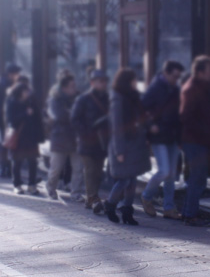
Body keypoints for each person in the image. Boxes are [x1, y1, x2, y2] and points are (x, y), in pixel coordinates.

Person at [105, 68, 150, 225]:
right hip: (123, 145)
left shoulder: (134, 97)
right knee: (124, 180)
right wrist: (119, 151)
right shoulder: (117, 99)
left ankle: (127, 212)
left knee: (132, 181)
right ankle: (110, 205)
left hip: (134, 145)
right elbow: (117, 126)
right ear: (127, 81)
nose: (136, 82)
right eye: (133, 80)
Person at [140, 60, 184, 219]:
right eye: (174, 76)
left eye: (179, 77)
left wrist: (180, 137)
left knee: (171, 174)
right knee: (164, 171)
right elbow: (140, 109)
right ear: (165, 73)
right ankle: (146, 196)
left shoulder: (175, 89)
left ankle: (168, 208)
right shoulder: (155, 88)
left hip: (173, 136)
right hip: (158, 136)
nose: (176, 79)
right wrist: (149, 125)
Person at [179, 55, 210, 226]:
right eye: (209, 70)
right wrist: (204, 133)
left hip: (200, 140)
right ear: (201, 72)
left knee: (199, 177)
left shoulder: (202, 87)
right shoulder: (192, 89)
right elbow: (186, 117)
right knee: (197, 177)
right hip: (194, 141)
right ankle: (190, 214)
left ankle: (189, 212)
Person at [71, 69, 110, 214]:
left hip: (101, 142)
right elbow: (74, 119)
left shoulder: (106, 98)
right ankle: (93, 198)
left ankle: (91, 198)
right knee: (90, 170)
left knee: (98, 172)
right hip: (87, 141)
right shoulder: (83, 99)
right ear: (92, 82)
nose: (104, 84)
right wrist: (86, 133)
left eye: (105, 81)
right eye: (100, 81)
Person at [46, 75, 84, 200]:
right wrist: (74, 114)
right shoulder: (55, 100)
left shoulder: (78, 98)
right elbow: (60, 116)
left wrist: (72, 114)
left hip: (76, 139)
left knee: (78, 169)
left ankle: (76, 193)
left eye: (74, 85)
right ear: (64, 88)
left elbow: (83, 115)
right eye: (71, 86)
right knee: (56, 169)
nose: (74, 88)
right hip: (60, 139)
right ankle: (51, 188)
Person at [5, 83, 44, 195]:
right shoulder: (12, 102)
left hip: (31, 137)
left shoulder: (31, 102)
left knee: (33, 162)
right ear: (20, 91)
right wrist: (25, 114)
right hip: (18, 137)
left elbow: (38, 119)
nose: (28, 93)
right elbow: (11, 120)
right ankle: (17, 185)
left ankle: (31, 185)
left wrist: (39, 136)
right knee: (17, 162)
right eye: (26, 91)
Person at [0, 63, 22, 178]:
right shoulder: (0, 85)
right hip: (3, 119)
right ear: (10, 74)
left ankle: (9, 168)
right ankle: (4, 167)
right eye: (16, 73)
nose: (17, 75)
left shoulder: (15, 84)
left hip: (13, 118)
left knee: (11, 144)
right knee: (5, 144)